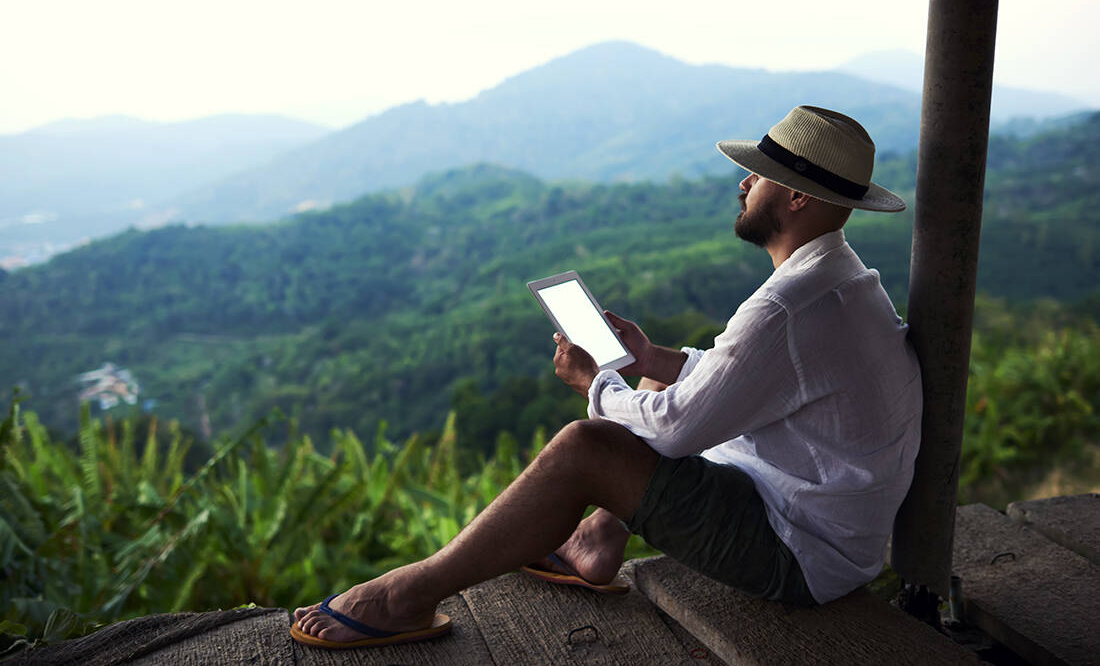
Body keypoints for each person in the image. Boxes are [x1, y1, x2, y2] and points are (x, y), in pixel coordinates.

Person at [290, 105, 922, 649]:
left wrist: (596, 385)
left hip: (801, 553)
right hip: (828, 526)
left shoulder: (788, 305)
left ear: (797, 196)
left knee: (584, 446)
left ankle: (408, 594)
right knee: (646, 385)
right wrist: (651, 361)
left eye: (758, 174)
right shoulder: (839, 282)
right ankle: (592, 538)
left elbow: (675, 432)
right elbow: (752, 384)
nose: (744, 183)